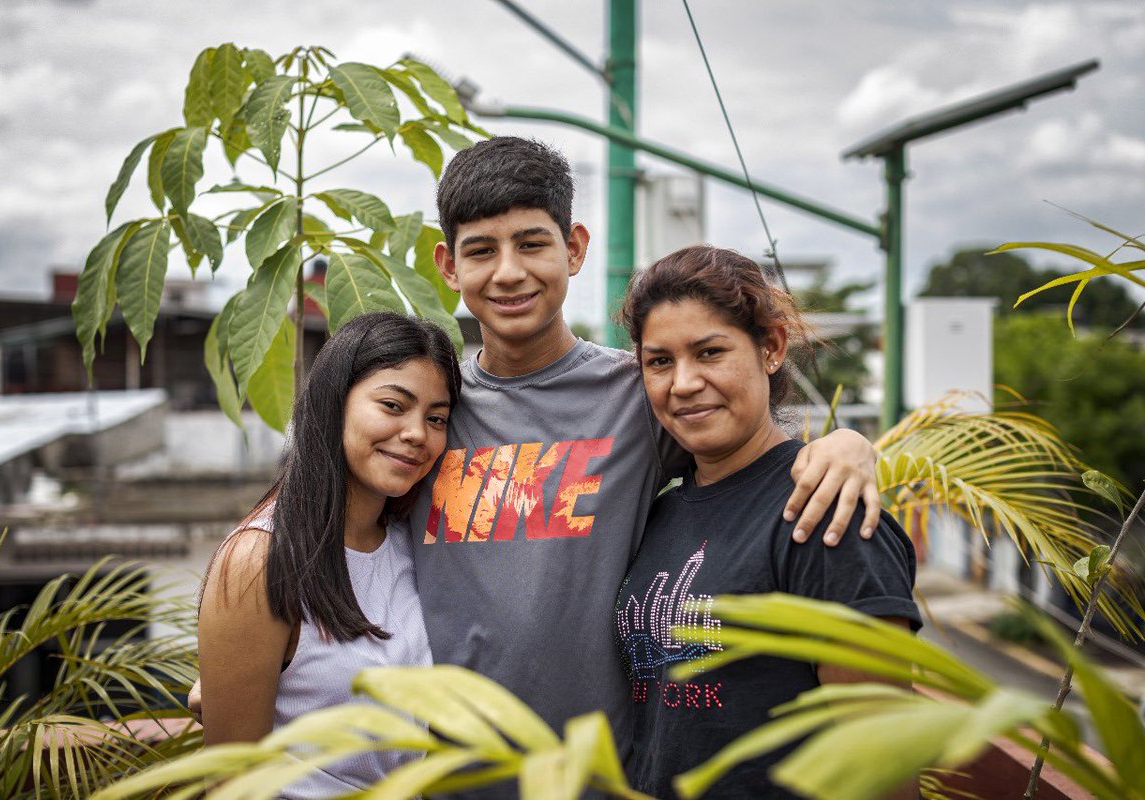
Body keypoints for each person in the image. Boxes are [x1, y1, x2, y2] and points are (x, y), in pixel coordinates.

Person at [193, 137, 882, 783]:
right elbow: (338, 530)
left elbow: (745, 445)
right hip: (442, 784)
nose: (509, 272)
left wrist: (848, 446)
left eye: (532, 244)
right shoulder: (435, 410)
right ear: (448, 265)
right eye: (482, 250)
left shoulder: (640, 391)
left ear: (574, 248)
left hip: (604, 779)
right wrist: (244, 670)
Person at [615, 245, 922, 799]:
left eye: (709, 352)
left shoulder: (825, 513)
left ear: (772, 348)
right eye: (660, 361)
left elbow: (883, 766)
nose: (682, 383)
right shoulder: (659, 512)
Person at [197, 311, 461, 796]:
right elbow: (232, 783)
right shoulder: (261, 560)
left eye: (436, 418)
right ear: (334, 402)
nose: (417, 433)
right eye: (392, 405)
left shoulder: (412, 542)